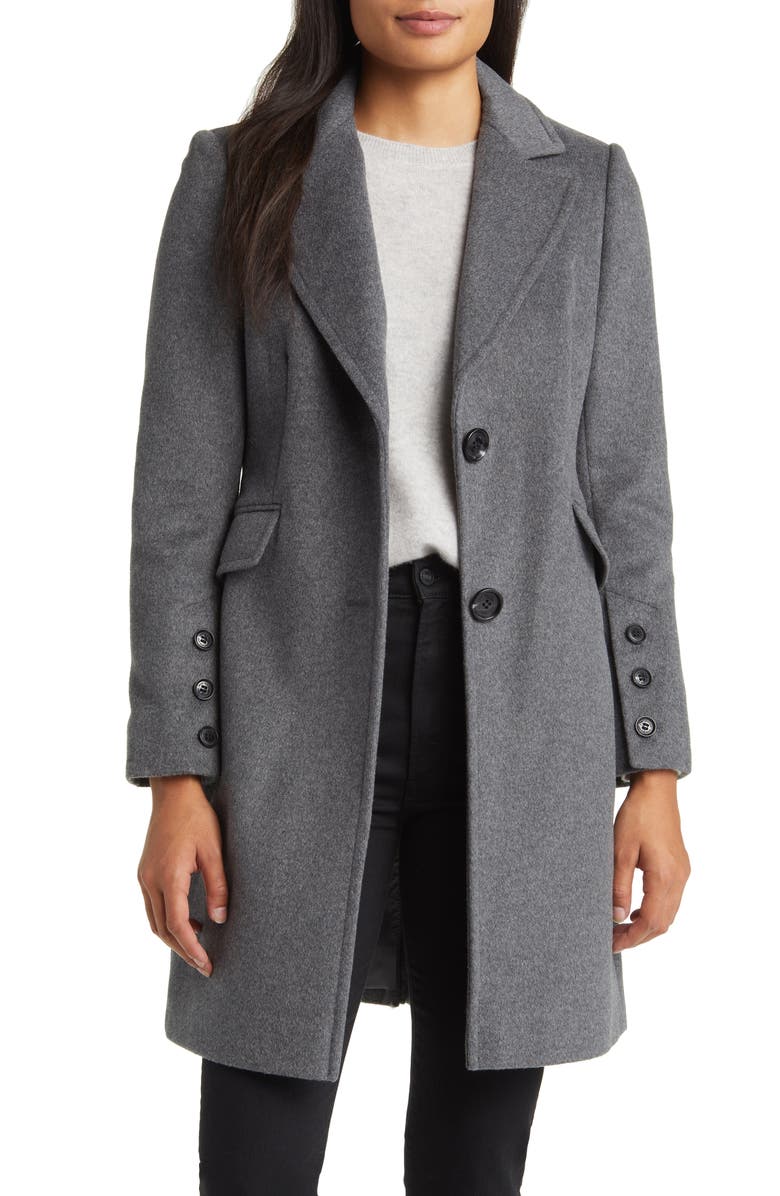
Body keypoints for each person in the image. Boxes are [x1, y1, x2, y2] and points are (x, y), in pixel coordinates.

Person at [127, 2, 693, 1191]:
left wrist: (655, 766)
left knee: (473, 1161)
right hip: (292, 700)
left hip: (527, 711)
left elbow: (629, 494)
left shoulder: (588, 186)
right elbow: (178, 503)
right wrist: (177, 770)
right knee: (257, 1146)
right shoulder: (242, 175)